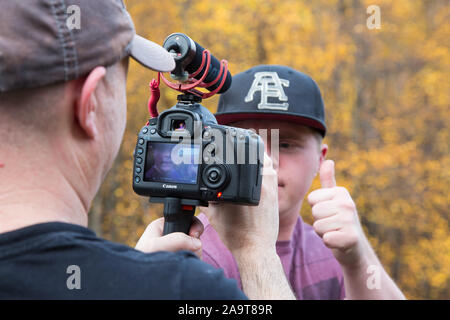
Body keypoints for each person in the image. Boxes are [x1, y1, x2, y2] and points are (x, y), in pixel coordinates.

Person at [0, 1, 294, 300]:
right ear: (90, 105)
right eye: (122, 80)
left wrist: (136, 275)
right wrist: (256, 254)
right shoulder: (187, 290)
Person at [199, 65, 406, 300]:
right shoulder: (189, 251)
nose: (267, 160)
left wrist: (358, 259)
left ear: (320, 159)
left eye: (285, 144)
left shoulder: (330, 253)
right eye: (247, 144)